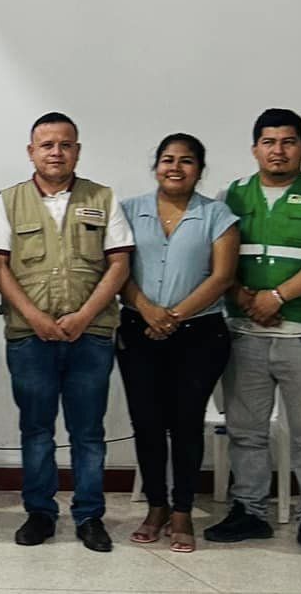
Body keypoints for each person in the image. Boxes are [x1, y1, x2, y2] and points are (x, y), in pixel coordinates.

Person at [204, 108, 301, 558]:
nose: (278, 150)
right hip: (245, 331)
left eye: (288, 142)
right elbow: (217, 257)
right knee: (246, 431)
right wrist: (247, 298)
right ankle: (249, 511)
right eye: (269, 142)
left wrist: (277, 297)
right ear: (255, 149)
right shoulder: (231, 195)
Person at [0, 112, 132, 553]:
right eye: (46, 145)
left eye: (65, 144)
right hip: (31, 336)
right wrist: (35, 317)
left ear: (78, 151)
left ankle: (90, 517)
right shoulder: (7, 201)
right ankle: (40, 514)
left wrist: (85, 316)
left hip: (91, 335)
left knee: (88, 432)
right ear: (31, 151)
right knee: (36, 430)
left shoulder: (103, 198)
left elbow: (119, 263)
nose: (56, 152)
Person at [116, 134, 238, 553]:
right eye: (167, 159)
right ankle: (156, 506)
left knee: (186, 423)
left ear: (199, 169)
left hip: (199, 336)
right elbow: (116, 269)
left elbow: (221, 276)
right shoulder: (130, 211)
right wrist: (147, 310)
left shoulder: (217, 214)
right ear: (155, 166)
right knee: (147, 423)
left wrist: (173, 317)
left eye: (186, 161)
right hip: (139, 329)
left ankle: (183, 509)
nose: (175, 167)